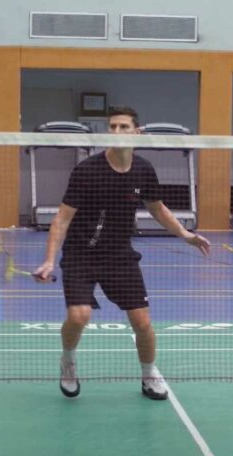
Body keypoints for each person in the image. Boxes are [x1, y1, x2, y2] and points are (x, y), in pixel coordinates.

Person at [35, 105, 211, 401]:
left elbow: (157, 208)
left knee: (142, 323)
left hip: (119, 256)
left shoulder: (143, 170)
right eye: (113, 126)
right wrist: (50, 260)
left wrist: (185, 235)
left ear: (137, 132)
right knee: (79, 317)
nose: (116, 131)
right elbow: (61, 219)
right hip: (81, 254)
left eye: (123, 126)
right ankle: (68, 360)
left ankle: (149, 374)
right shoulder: (87, 171)